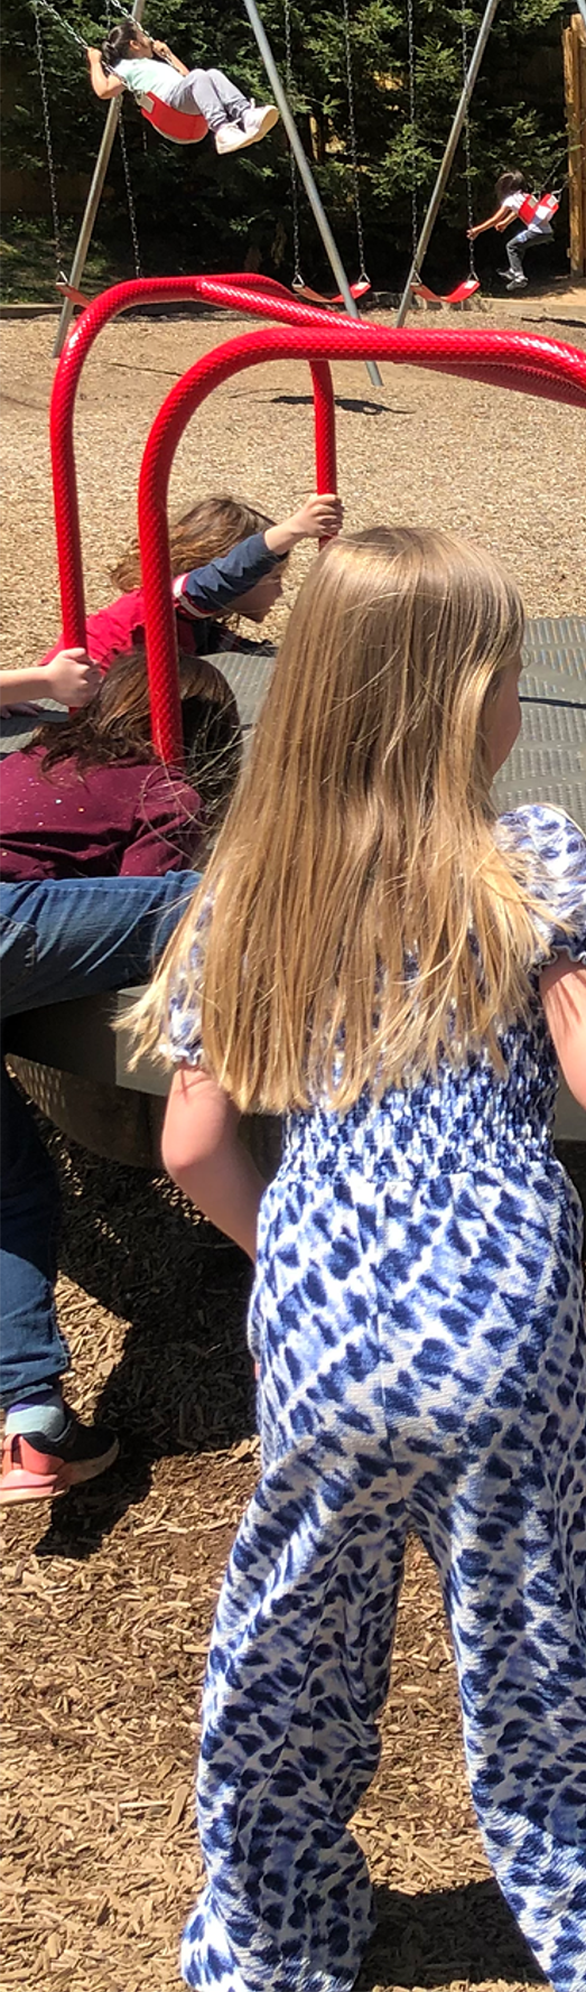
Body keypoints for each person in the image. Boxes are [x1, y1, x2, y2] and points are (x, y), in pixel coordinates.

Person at [132, 525, 586, 1992]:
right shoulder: (529, 859)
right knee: (543, 1633)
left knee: (292, 1645)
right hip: (499, 1315)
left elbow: (194, 1145)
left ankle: (271, 1940)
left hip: (322, 1324)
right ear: (470, 703)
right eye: (508, 674)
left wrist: (301, 1261)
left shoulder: (244, 887)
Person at [0, 658, 238, 1503]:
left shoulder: (33, 756)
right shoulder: (165, 787)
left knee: (14, 1188)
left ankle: (34, 1422)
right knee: (210, 897)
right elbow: (151, 908)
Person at [0, 651, 241, 882]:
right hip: (13, 897)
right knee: (190, 889)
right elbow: (146, 900)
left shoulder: (38, 754)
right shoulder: (166, 796)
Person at [65, 489, 343, 670]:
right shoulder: (166, 602)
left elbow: (253, 659)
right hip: (74, 702)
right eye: (273, 577)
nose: (280, 591)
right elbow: (227, 575)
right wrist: (294, 529)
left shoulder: (197, 625)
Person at [87, 19, 279, 155]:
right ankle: (222, 130)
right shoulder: (125, 67)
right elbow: (104, 91)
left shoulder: (152, 64)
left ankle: (245, 114)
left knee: (212, 74)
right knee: (200, 75)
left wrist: (169, 55)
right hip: (170, 110)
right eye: (143, 36)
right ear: (134, 44)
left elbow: (188, 79)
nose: (149, 39)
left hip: (183, 106)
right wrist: (95, 62)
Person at [467, 168, 558, 289]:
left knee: (511, 246)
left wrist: (477, 230)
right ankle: (513, 270)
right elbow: (518, 212)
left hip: (536, 231)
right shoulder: (527, 197)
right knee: (519, 246)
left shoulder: (510, 200)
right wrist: (505, 223)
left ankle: (519, 277)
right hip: (546, 232)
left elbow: (495, 219)